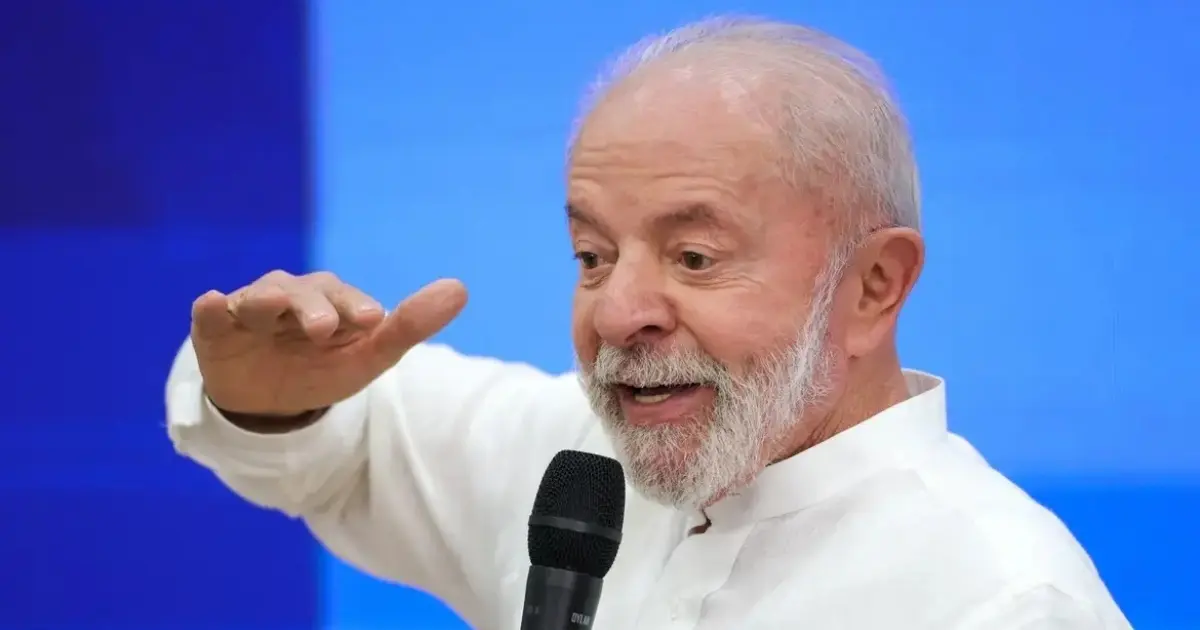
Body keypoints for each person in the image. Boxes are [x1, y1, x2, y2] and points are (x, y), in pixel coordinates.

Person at [167, 16, 1130, 630]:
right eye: (592, 256)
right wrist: (269, 399)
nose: (618, 313)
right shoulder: (578, 471)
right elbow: (353, 437)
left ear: (874, 285)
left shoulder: (999, 598)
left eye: (694, 257)